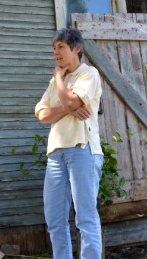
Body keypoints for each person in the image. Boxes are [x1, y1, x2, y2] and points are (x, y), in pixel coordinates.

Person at [35, 28, 103, 259]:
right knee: (54, 219)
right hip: (56, 154)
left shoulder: (89, 74)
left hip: (82, 150)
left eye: (61, 47)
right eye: (53, 48)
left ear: (76, 49)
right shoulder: (57, 81)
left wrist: (58, 79)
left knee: (85, 217)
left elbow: (70, 100)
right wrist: (69, 108)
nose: (55, 52)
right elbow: (42, 115)